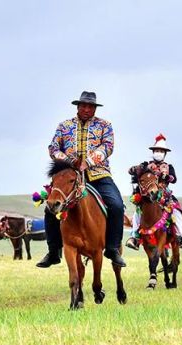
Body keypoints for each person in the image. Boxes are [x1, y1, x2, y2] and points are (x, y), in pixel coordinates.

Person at [37, 91, 127, 268]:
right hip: (68, 175)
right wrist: (69, 161)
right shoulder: (64, 126)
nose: (87, 109)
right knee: (50, 206)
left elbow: (108, 146)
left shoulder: (104, 125)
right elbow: (53, 148)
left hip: (98, 174)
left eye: (90, 106)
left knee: (116, 205)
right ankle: (54, 251)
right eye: (83, 106)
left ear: (94, 108)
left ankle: (112, 248)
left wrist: (89, 162)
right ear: (78, 107)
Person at [126, 134, 182, 249]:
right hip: (148, 195)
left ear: (164, 154)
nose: (158, 153)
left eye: (161, 151)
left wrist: (164, 176)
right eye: (156, 150)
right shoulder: (146, 165)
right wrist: (135, 169)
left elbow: (174, 179)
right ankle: (134, 237)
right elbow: (133, 171)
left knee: (176, 212)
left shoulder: (169, 167)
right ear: (153, 152)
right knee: (137, 213)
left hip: (165, 196)